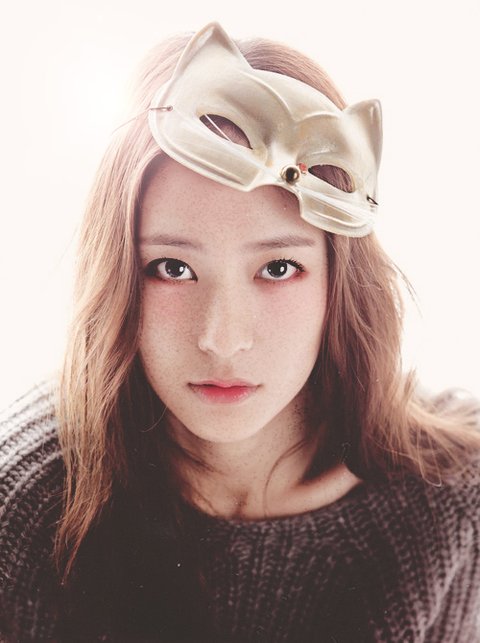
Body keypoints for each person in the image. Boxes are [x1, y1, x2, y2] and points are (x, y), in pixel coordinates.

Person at [1, 21, 479, 643]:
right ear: (116, 276)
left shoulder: (455, 501)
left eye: (277, 268)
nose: (222, 339)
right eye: (172, 269)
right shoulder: (29, 505)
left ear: (341, 281)